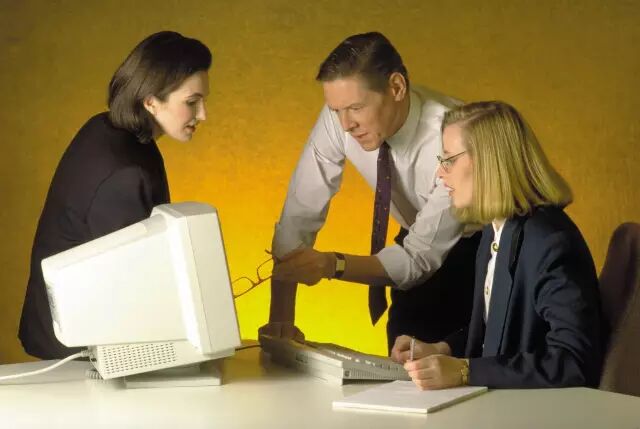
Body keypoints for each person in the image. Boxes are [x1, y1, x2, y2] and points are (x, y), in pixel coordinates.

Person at [261, 31, 481, 352]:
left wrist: (331, 264)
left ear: (397, 87)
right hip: (413, 238)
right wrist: (281, 320)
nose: (345, 125)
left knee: (467, 370)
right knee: (401, 365)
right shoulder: (340, 116)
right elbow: (299, 214)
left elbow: (418, 259)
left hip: (481, 252)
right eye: (336, 110)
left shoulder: (453, 137)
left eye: (356, 108)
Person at [19, 31, 211, 359]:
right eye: (191, 102)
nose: (203, 114)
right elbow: (131, 291)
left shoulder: (107, 129)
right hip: (76, 352)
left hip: (59, 330)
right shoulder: (125, 174)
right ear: (151, 101)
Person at [390, 101, 604, 389]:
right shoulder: (494, 231)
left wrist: (465, 371)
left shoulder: (550, 243)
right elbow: (495, 332)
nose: (440, 173)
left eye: (449, 160)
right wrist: (443, 349)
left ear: (488, 163)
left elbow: (575, 361)